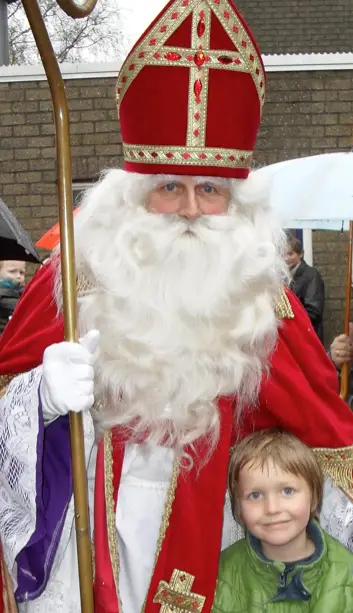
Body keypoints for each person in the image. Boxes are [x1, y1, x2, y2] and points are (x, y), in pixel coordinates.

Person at [1, 2, 353, 612]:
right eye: (170, 187)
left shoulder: (262, 299)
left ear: (236, 199)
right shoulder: (73, 279)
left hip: (223, 537)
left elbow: (326, 437)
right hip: (89, 534)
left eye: (210, 189)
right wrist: (40, 397)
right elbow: (7, 386)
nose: (191, 208)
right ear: (134, 195)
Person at [212, 430, 353, 612]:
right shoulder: (222, 575)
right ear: (238, 508)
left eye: (287, 491)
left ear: (315, 498)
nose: (272, 508)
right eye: (255, 495)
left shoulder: (347, 575)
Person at [285, 235, 325, 343]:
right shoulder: (285, 276)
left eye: (290, 253)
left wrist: (288, 323)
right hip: (294, 337)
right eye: (283, 254)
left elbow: (313, 311)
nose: (286, 258)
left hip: (308, 337)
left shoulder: (312, 275)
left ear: (300, 254)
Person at [0, 260, 25, 334]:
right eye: (12, 271)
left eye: (22, 272)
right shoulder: (3, 294)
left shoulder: (20, 291)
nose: (18, 276)